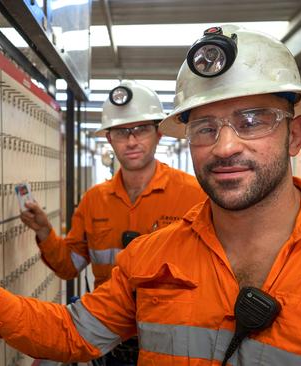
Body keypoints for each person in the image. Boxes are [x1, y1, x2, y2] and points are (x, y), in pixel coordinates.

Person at [0, 25, 301, 365]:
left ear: (295, 135)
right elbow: (72, 330)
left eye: (253, 121)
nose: (225, 146)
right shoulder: (147, 254)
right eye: (205, 128)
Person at [21, 81, 205, 365]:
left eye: (140, 129)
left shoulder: (193, 194)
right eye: (121, 132)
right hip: (110, 342)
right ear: (109, 138)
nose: (131, 141)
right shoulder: (94, 200)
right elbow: (69, 266)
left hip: (173, 342)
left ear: (158, 133)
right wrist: (45, 231)